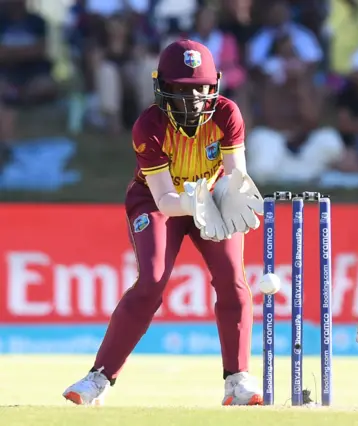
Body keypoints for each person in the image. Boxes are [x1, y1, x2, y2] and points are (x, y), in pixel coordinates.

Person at [62, 39, 264, 406]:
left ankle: (237, 379)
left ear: (214, 85)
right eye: (181, 90)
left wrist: (236, 198)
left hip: (212, 199)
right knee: (152, 281)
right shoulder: (148, 125)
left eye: (200, 89)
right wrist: (195, 201)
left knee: (233, 279)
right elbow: (166, 199)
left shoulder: (228, 113)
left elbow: (236, 174)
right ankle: (98, 379)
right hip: (158, 202)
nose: (192, 100)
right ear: (162, 88)